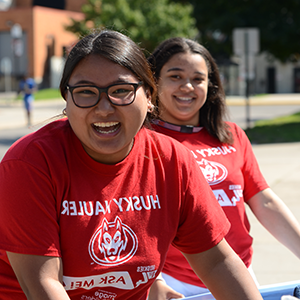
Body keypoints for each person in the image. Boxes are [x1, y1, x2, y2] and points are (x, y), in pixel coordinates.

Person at [0, 30, 263, 300]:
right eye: (86, 92)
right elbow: (43, 286)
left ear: (149, 96)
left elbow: (216, 262)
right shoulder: (29, 164)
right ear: (67, 100)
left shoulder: (172, 161)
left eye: (121, 91)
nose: (104, 108)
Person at [147, 37, 300, 298]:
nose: (187, 86)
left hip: (238, 273)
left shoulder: (231, 136)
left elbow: (264, 201)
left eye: (198, 78)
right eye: (175, 76)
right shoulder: (143, 142)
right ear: (154, 82)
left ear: (211, 85)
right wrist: (153, 281)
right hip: (176, 284)